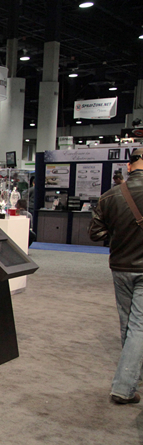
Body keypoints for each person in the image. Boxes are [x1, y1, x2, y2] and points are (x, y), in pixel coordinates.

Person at [89, 147, 143, 404]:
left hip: (120, 266)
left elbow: (96, 233)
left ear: (129, 166)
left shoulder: (110, 196)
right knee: (138, 325)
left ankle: (134, 375)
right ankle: (124, 386)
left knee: (128, 323)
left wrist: (119, 235)